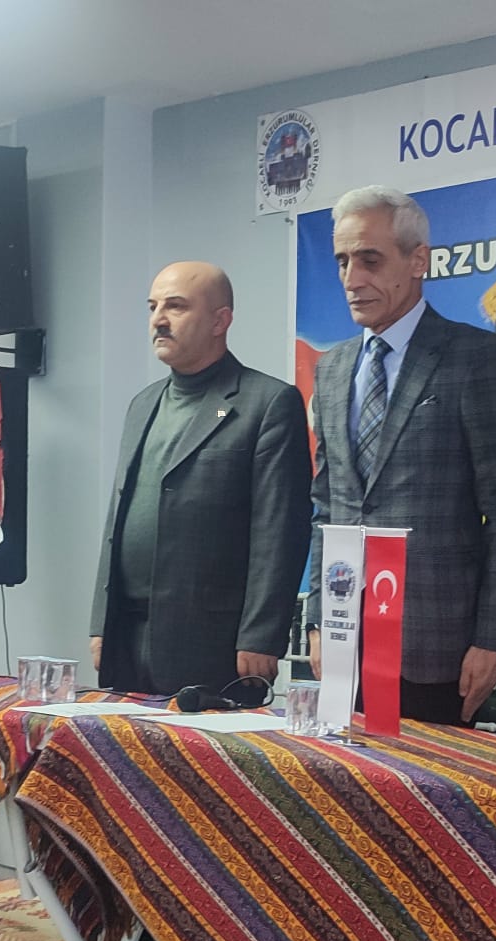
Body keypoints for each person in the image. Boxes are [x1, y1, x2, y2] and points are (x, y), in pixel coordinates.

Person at [305, 186, 496, 724]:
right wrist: (316, 619)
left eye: (370, 260)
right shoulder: (331, 369)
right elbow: (327, 506)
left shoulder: (475, 358)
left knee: (425, 781)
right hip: (343, 638)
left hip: (437, 646)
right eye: (342, 261)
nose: (352, 279)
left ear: (418, 260)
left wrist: (494, 639)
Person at [90, 261, 312, 696]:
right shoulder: (143, 404)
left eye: (176, 306)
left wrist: (261, 635)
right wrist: (101, 621)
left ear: (219, 321)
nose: (159, 319)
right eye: (153, 307)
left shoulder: (268, 403)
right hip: (126, 637)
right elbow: (118, 518)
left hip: (213, 644)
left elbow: (280, 531)